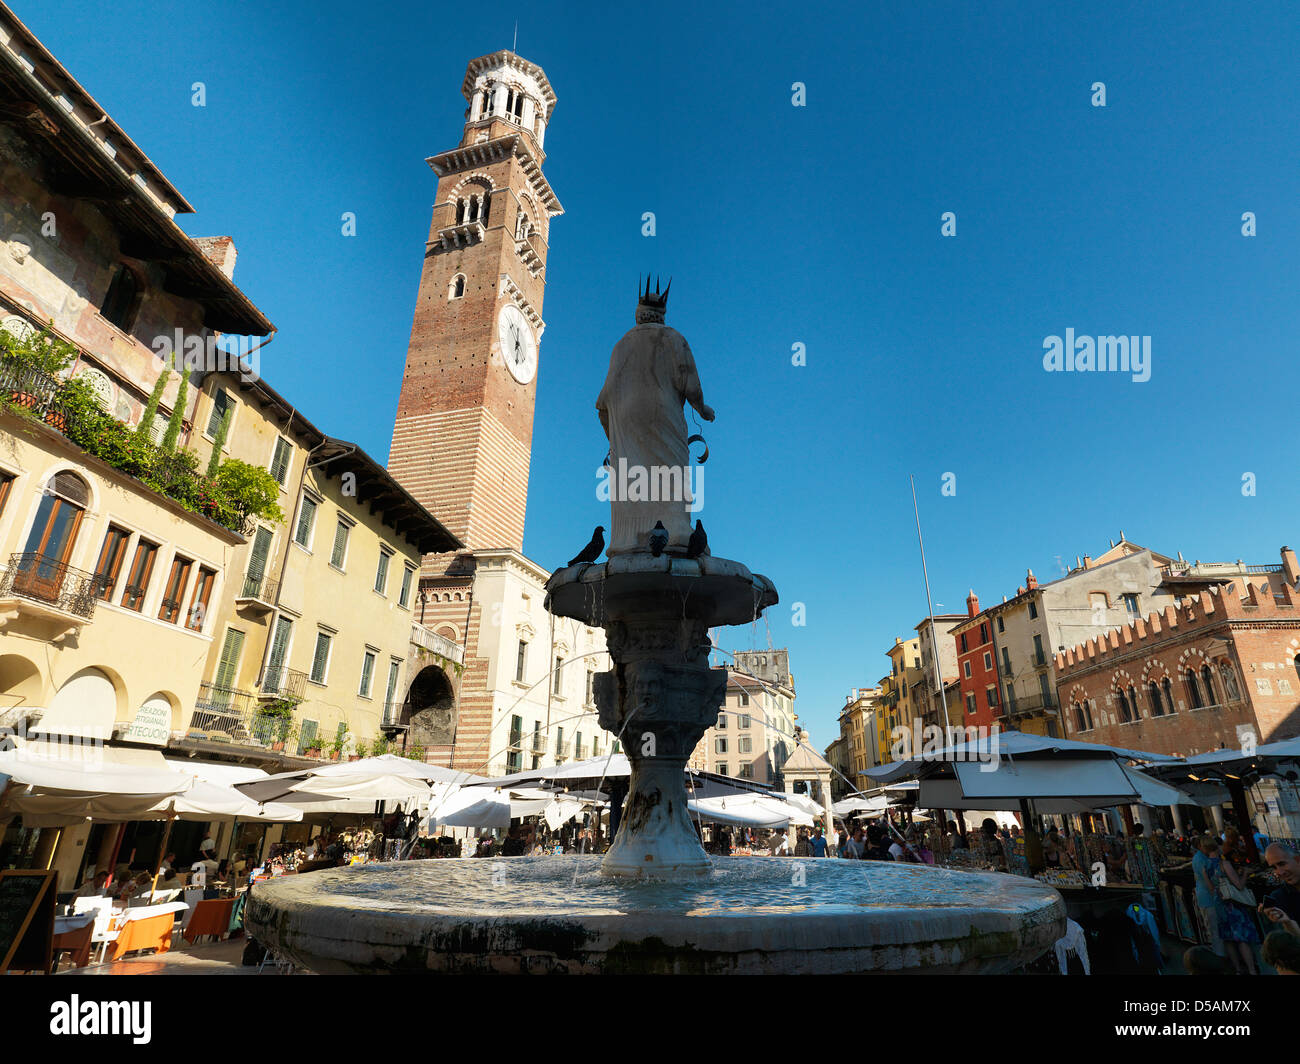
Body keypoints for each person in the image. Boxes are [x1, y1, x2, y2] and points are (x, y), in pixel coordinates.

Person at [1195, 836, 1258, 975]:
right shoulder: (1224, 864)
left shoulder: (1205, 867)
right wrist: (1246, 874)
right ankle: (1252, 970)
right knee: (1242, 939)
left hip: (1220, 905)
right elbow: (1239, 886)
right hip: (1233, 905)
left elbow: (1211, 889)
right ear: (1217, 846)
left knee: (1228, 939)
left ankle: (1237, 970)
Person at [1261, 843, 1300, 925]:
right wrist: (1287, 923)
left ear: (1297, 860)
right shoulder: (1279, 897)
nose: (1280, 872)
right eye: (1274, 868)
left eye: (1282, 864)